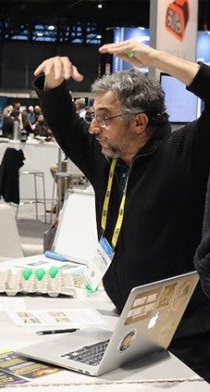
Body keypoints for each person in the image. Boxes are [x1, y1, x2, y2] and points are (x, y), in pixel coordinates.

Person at [34, 38, 210, 379]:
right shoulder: (105, 159)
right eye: (92, 115)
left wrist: (159, 59)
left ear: (139, 123)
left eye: (104, 117)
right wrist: (52, 84)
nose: (93, 127)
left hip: (185, 336)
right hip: (127, 328)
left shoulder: (183, 152)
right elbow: (63, 123)